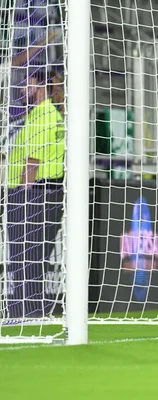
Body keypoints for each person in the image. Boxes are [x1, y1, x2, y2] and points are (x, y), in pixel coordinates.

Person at [5, 67, 65, 318]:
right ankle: (30, 310)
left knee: (25, 256)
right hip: (45, 192)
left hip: (34, 194)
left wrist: (22, 195)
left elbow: (32, 162)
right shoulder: (45, 115)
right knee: (33, 257)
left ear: (40, 88)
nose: (22, 90)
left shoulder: (43, 116)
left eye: (27, 86)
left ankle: (25, 312)